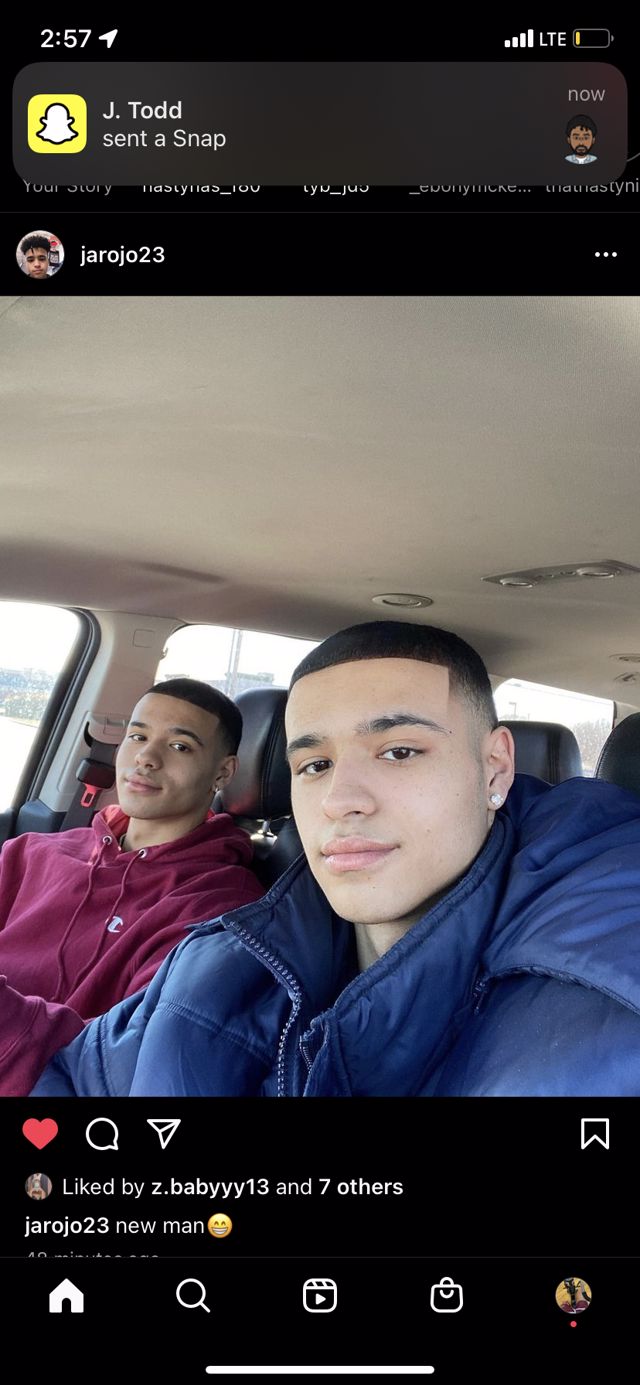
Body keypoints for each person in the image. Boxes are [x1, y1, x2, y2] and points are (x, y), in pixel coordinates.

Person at [31, 621, 640, 1097]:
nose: (339, 801)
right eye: (315, 765)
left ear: (495, 768)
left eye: (399, 752)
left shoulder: (608, 994)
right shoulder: (220, 963)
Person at [0, 678, 264, 1095]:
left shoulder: (219, 910)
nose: (146, 757)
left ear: (223, 771)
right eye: (137, 736)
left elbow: (124, 1059)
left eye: (179, 746)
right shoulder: (30, 852)